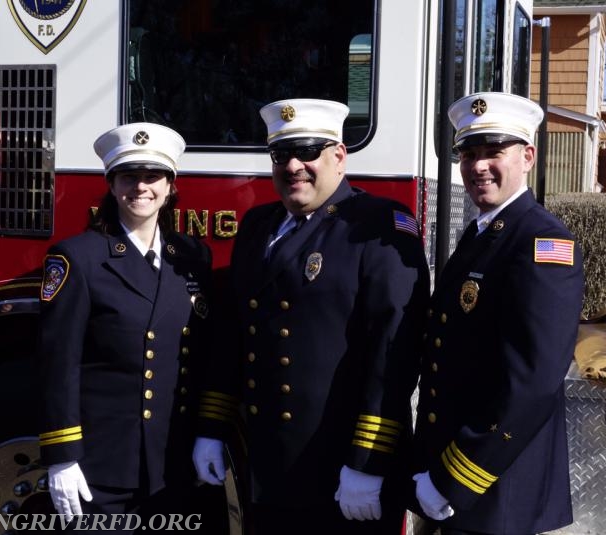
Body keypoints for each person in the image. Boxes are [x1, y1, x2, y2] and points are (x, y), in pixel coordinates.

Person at [193, 98, 430, 534]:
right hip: (268, 467)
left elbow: (393, 354)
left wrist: (368, 462)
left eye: (308, 152)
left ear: (338, 156)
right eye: (282, 155)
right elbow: (233, 337)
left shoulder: (379, 225)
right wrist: (212, 426)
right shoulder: (257, 225)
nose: (294, 165)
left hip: (344, 474)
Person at [36, 122, 226, 532]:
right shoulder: (78, 258)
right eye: (128, 176)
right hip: (101, 468)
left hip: (174, 461)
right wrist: (63, 455)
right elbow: (58, 364)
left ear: (171, 185)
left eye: (152, 176)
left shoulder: (192, 257)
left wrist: (210, 432)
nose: (141, 187)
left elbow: (210, 356)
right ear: (111, 184)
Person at [411, 92, 584, 535]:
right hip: (456, 484)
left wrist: (455, 476)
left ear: (527, 157)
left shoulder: (542, 243)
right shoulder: (482, 234)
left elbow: (533, 380)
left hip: (494, 490)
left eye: (493, 152)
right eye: (468, 154)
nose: (478, 166)